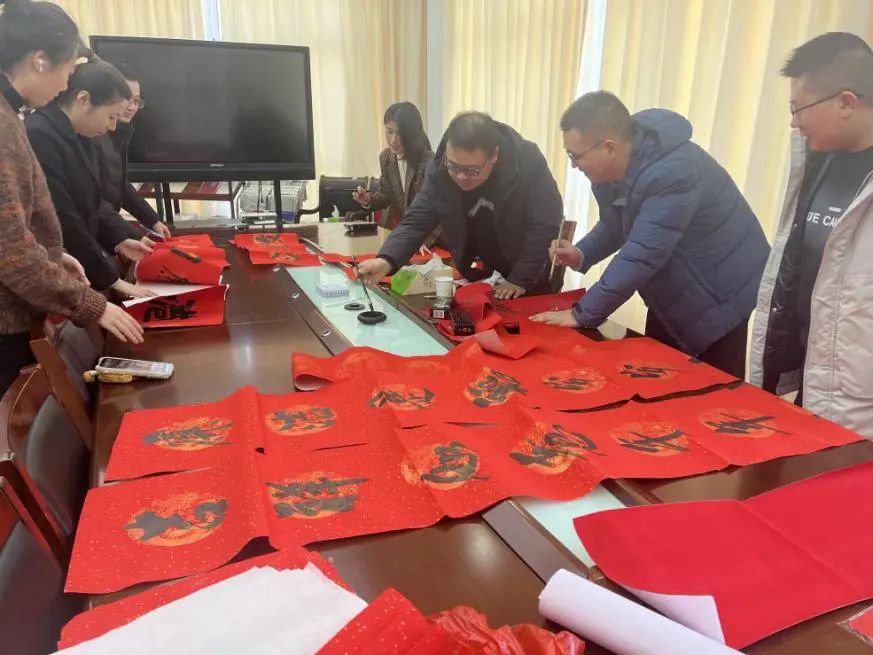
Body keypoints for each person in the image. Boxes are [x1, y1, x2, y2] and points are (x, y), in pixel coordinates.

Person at [531, 91, 769, 378]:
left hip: (720, 289)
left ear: (609, 147)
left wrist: (581, 314)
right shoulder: (613, 170)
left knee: (710, 384)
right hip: (675, 282)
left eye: (575, 156)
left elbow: (642, 254)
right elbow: (616, 223)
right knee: (660, 370)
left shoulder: (673, 172)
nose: (573, 165)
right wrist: (581, 253)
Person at [0, 0, 143, 395]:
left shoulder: (12, 115)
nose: (66, 83)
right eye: (66, 69)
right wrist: (91, 304)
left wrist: (53, 254)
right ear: (40, 60)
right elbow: (11, 250)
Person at [750, 33, 873, 435]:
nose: (793, 122)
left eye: (798, 108)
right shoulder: (817, 165)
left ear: (846, 103)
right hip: (816, 387)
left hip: (861, 411)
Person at [357, 111, 563, 300]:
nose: (461, 177)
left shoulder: (526, 161)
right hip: (483, 267)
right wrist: (386, 260)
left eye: (471, 170)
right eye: (454, 167)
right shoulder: (440, 166)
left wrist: (520, 279)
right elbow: (417, 218)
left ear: (494, 155)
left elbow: (544, 224)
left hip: (529, 267)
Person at [26, 55, 156, 298]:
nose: (113, 127)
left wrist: (120, 239)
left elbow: (94, 202)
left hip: (86, 257)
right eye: (111, 116)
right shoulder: (39, 135)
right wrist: (112, 280)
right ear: (83, 100)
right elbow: (63, 216)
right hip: (59, 266)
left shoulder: (82, 135)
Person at [95, 63, 171, 240]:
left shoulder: (119, 134)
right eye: (126, 98)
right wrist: (132, 236)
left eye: (136, 101)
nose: (131, 107)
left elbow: (120, 187)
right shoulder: (93, 135)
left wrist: (152, 220)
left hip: (109, 230)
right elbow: (94, 201)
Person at [352, 102, 439, 249]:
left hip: (431, 241)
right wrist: (368, 199)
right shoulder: (386, 158)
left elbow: (440, 209)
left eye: (400, 133)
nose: (393, 140)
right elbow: (387, 195)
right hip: (405, 237)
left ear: (412, 134)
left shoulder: (430, 161)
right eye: (389, 131)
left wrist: (426, 240)